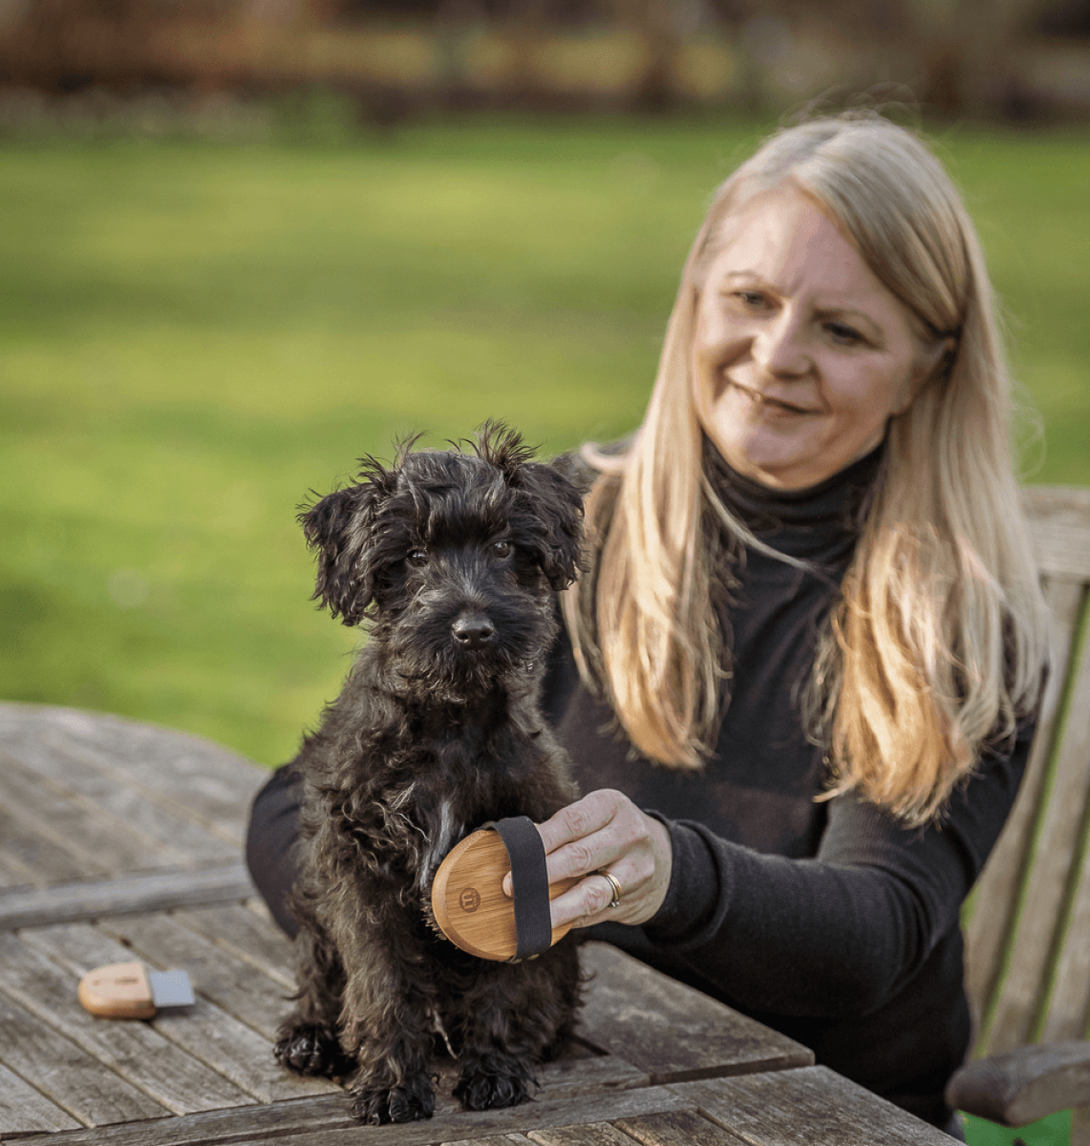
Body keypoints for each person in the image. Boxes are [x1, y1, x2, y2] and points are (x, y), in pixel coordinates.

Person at [246, 111, 1048, 1139]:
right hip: (574, 1080)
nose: (776, 354)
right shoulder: (573, 522)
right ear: (694, 298)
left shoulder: (954, 618)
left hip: (816, 1111)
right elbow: (296, 807)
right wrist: (407, 932)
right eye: (749, 299)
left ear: (927, 368)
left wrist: (662, 874)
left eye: (843, 330)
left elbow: (874, 930)